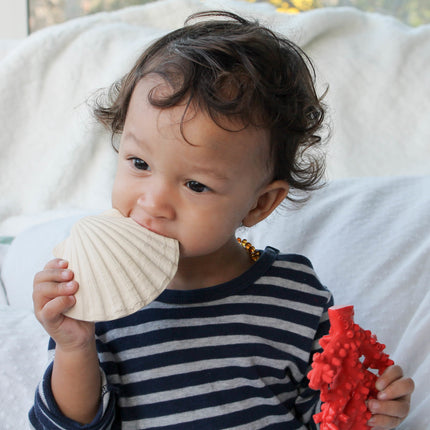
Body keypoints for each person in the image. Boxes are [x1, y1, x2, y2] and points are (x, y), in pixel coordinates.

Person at [29, 11, 414, 430]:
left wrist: (370, 410)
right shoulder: (94, 292)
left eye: (195, 185)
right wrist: (74, 347)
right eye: (138, 162)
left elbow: (322, 416)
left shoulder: (294, 293)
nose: (153, 201)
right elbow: (68, 425)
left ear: (259, 204)